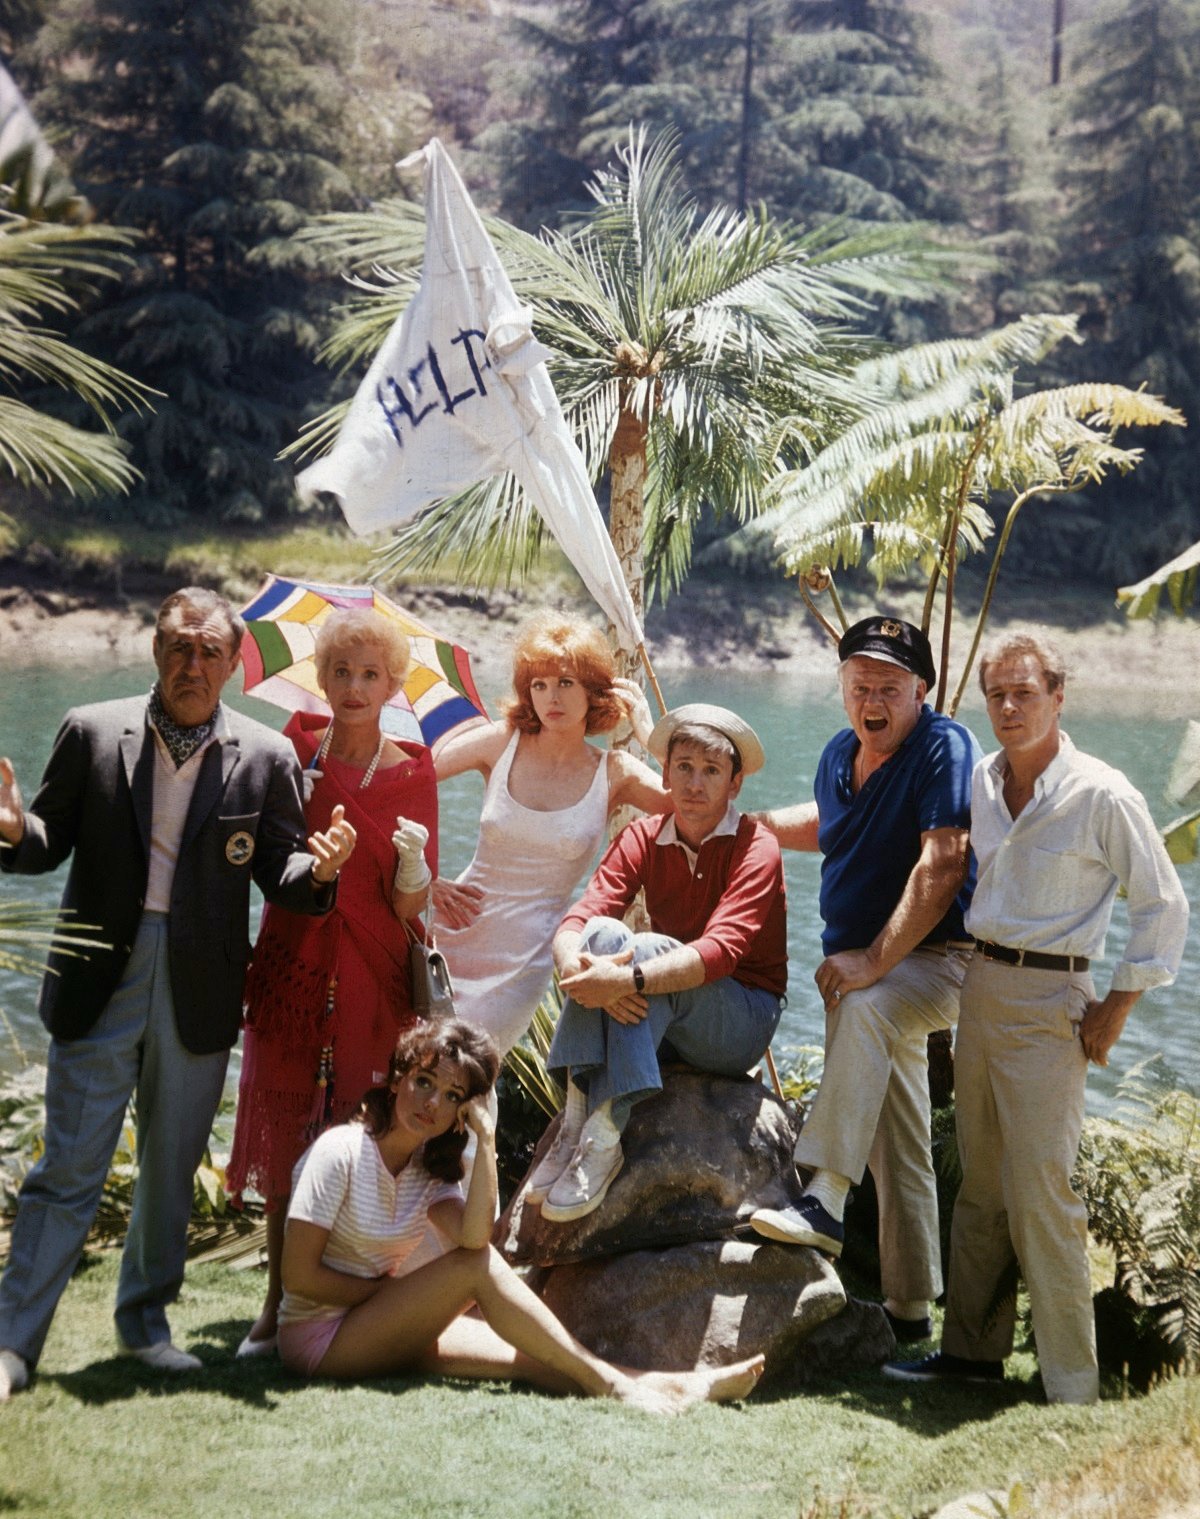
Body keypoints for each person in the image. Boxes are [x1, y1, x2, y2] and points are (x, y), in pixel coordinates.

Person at [0, 588, 356, 1402]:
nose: (191, 664)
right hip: (101, 972)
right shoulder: (92, 729)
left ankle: (146, 1323)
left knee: (170, 1164)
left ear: (233, 665)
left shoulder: (264, 755)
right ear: (154, 648)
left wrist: (324, 869)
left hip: (199, 985)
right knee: (69, 1163)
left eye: (208, 652)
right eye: (177, 646)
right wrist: (14, 830)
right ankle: (13, 1342)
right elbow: (46, 844)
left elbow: (285, 877)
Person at [885, 631, 1189, 1403]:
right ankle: (971, 1356)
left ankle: (1072, 1383)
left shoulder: (1103, 792)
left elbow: (1164, 903)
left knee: (1044, 1189)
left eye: (1026, 692)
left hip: (1055, 1002)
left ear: (1059, 696)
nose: (1010, 707)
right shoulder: (981, 782)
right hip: (980, 988)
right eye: (997, 694)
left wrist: (1118, 1005)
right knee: (981, 1186)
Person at [277, 1017, 764, 1410]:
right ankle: (619, 1390)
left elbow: (473, 1239)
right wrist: (386, 1295)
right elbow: (298, 1278)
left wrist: (486, 1141)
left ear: (460, 1113)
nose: (431, 1104)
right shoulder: (340, 1152)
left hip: (378, 1323)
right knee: (478, 1274)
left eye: (451, 1096)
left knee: (528, 1356)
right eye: (424, 1082)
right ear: (397, 1077)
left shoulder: (425, 1172)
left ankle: (674, 1386)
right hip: (320, 1340)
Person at [747, 615, 981, 1345]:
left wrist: (875, 959)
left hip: (938, 961)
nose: (871, 697)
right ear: (842, 689)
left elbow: (944, 861)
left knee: (872, 1007)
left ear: (920, 690)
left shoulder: (943, 745)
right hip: (864, 965)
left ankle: (823, 1196)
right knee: (895, 1134)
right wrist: (751, 824)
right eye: (858, 684)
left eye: (888, 685)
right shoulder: (838, 754)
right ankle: (911, 1314)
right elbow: (831, 822)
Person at [227, 607, 439, 1358]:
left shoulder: (417, 766)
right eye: (341, 672)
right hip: (295, 962)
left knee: (353, 1134)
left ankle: (347, 1294)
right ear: (320, 679)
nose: (354, 686)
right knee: (290, 1137)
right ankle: (274, 1302)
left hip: (374, 976)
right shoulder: (293, 750)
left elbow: (414, 905)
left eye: (370, 674)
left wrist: (412, 864)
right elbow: (268, 860)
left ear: (392, 683)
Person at [529, 703, 787, 1223]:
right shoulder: (645, 836)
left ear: (734, 785)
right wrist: (575, 970)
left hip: (739, 1019)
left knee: (643, 948)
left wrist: (627, 979)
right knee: (602, 933)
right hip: (662, 1006)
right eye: (684, 767)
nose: (695, 784)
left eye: (711, 771)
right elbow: (583, 914)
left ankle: (607, 1133)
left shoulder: (756, 847)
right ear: (666, 774)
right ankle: (575, 1118)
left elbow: (721, 951)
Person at [430, 610, 669, 1058]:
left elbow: (694, 803)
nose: (551, 697)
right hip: (453, 933)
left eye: (565, 683)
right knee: (425, 1072)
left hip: (528, 956)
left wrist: (650, 734)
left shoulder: (613, 772)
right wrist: (423, 877)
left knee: (469, 1066)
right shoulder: (500, 741)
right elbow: (404, 780)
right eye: (539, 685)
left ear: (594, 691)